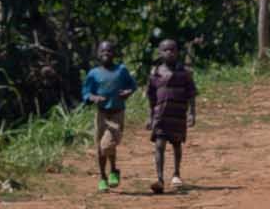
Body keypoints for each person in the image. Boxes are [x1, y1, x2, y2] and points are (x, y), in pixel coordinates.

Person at [82, 39, 137, 192]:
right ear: (97, 54)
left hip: (117, 113)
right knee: (100, 147)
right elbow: (86, 92)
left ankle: (113, 170)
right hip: (101, 114)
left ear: (114, 54)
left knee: (108, 144)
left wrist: (128, 92)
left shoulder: (121, 70)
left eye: (109, 51)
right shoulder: (94, 73)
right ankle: (103, 176)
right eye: (103, 51)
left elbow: (132, 85)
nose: (106, 53)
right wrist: (93, 98)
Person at [144, 37, 198, 194]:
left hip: (178, 115)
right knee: (159, 145)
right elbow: (151, 98)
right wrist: (150, 117)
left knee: (176, 144)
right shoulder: (155, 74)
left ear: (178, 52)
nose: (170, 53)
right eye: (166, 50)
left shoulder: (184, 73)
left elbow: (191, 94)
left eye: (173, 49)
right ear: (160, 53)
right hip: (160, 115)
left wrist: (192, 113)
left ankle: (176, 173)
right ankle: (159, 178)